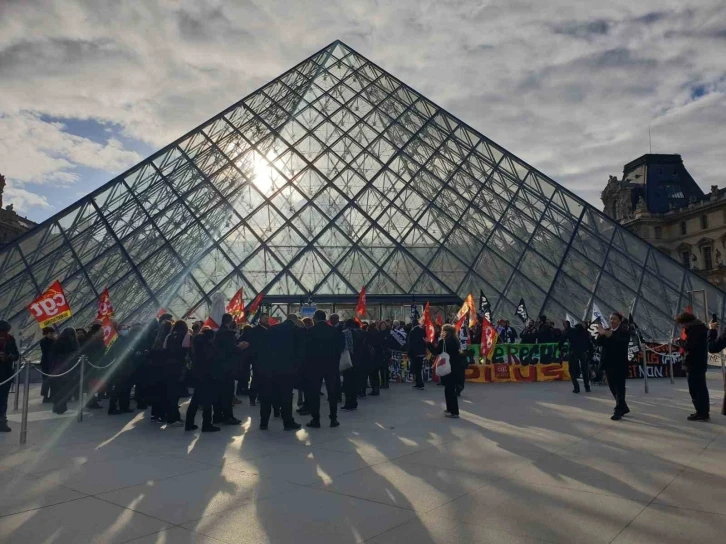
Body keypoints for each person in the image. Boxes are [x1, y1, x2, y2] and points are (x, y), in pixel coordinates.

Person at [259, 314, 303, 430]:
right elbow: (300, 352)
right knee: (286, 396)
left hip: (269, 368)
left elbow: (262, 348)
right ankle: (288, 422)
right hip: (287, 369)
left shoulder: (271, 329)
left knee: (267, 396)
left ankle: (264, 422)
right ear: (295, 321)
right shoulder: (296, 331)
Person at [303, 310, 344, 428]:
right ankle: (333, 419)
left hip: (314, 367)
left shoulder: (310, 331)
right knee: (332, 392)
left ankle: (316, 419)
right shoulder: (334, 331)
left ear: (315, 318)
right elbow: (340, 348)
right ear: (325, 318)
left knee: (315, 393)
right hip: (331, 366)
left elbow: (305, 350)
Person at [595, 313, 631, 420]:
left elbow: (622, 343)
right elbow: (598, 343)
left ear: (620, 321)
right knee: (612, 386)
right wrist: (601, 334)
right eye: (610, 319)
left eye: (614, 319)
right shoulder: (606, 331)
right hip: (608, 363)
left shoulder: (624, 331)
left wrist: (610, 336)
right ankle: (623, 406)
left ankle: (618, 410)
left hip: (619, 363)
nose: (612, 321)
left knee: (620, 387)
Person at [675, 312, 709, 421]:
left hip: (693, 363)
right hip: (700, 362)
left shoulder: (694, 330)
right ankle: (704, 411)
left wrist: (679, 342)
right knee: (702, 389)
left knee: (694, 389)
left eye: (682, 324)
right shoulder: (702, 328)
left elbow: (689, 346)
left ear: (687, 322)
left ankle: (700, 412)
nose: (682, 327)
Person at [186, 328, 220, 432]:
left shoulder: (196, 346)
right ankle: (206, 424)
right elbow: (212, 361)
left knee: (195, 400)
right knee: (207, 401)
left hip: (197, 375)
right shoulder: (208, 348)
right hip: (207, 376)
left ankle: (189, 423)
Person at [212, 323, 243, 425]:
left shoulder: (217, 334)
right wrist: (240, 347)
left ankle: (217, 416)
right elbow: (232, 350)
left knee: (218, 394)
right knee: (227, 394)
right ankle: (228, 416)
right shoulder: (228, 335)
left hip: (218, 368)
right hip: (227, 369)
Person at [429, 324, 462, 418]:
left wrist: (428, 344)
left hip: (447, 367)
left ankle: (454, 411)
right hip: (455, 367)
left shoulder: (443, 342)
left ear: (446, 332)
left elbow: (435, 352)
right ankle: (450, 409)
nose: (441, 332)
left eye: (443, 331)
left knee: (449, 390)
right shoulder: (456, 341)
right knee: (451, 389)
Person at [163, 320, 190, 424]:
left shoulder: (168, 336)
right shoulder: (186, 336)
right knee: (176, 393)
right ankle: (174, 417)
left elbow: (164, 350)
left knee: (170, 392)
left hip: (167, 367)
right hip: (179, 368)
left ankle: (169, 415)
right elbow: (186, 352)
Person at [50, 328, 81, 415]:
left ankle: (57, 406)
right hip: (69, 367)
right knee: (66, 388)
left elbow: (52, 355)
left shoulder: (58, 341)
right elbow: (76, 353)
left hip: (57, 367)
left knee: (58, 387)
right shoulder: (73, 342)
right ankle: (61, 406)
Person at [107, 324, 136, 414]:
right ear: (118, 331)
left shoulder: (124, 340)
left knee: (125, 388)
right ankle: (113, 408)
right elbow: (121, 353)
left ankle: (124, 406)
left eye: (126, 328)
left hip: (125, 367)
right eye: (124, 329)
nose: (126, 330)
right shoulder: (118, 341)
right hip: (122, 368)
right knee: (118, 388)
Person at [149, 320, 172, 422]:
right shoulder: (168, 339)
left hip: (154, 369)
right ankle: (163, 414)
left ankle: (155, 413)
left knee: (156, 392)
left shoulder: (156, 339)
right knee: (164, 392)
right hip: (164, 369)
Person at [0, 320, 20, 432]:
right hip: (5, 372)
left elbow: (17, 354)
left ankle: (2, 421)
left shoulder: (10, 339)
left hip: (6, 372)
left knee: (3, 398)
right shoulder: (9, 338)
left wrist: (10, 356)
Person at [561, 321, 592, 394]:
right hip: (583, 352)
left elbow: (563, 339)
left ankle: (576, 388)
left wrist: (560, 347)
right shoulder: (585, 332)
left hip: (573, 352)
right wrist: (591, 352)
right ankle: (587, 387)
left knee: (572, 370)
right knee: (584, 370)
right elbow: (589, 343)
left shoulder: (571, 331)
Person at [248, 313, 271, 407]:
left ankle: (261, 397)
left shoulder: (269, 329)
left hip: (267, 358)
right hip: (257, 358)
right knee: (256, 378)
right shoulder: (255, 330)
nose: (267, 320)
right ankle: (252, 398)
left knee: (265, 379)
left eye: (267, 318)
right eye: (265, 318)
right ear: (260, 319)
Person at [408, 318, 426, 390]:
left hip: (415, 353)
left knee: (416, 369)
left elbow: (410, 342)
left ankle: (420, 384)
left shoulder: (413, 331)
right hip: (421, 352)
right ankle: (418, 383)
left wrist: (410, 352)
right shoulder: (422, 330)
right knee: (418, 369)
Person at [39, 326, 56, 403]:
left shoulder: (51, 340)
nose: (52, 334)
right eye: (51, 333)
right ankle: (45, 396)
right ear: (46, 333)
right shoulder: (44, 341)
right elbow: (48, 350)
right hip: (47, 363)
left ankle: (52, 395)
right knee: (46, 380)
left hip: (50, 362)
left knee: (53, 380)